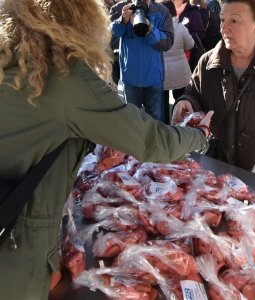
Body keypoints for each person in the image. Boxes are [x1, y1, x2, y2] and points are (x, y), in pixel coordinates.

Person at [0, 1, 214, 299]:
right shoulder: (64, 78)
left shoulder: (11, 60)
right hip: (15, 248)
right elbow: (151, 140)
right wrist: (199, 135)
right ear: (80, 20)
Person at [172, 0, 255, 173]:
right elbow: (193, 92)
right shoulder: (207, 62)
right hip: (214, 169)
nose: (224, 28)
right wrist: (186, 102)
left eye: (235, 20)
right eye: (223, 20)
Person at [110, 0, 174, 122]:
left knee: (155, 123)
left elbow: (168, 43)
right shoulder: (120, 8)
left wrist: (149, 29)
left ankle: (153, 142)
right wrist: (123, 21)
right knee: (132, 122)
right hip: (130, 79)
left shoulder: (162, 11)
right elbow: (110, 35)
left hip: (153, 79)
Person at [160, 0, 195, 124]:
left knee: (161, 105)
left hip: (162, 72)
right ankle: (181, 127)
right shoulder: (180, 27)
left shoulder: (156, 30)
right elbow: (190, 44)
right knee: (180, 101)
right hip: (180, 71)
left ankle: (163, 129)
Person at [173, 0, 206, 71]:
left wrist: (184, 38)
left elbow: (200, 33)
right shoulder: (168, 11)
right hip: (172, 56)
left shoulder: (192, 12)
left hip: (189, 57)